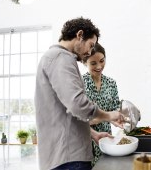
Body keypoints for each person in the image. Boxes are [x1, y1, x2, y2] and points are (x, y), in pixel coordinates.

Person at [34, 17, 124, 170]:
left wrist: (92, 134)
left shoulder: (56, 58)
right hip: (68, 159)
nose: (89, 52)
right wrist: (109, 115)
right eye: (90, 45)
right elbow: (78, 104)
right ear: (79, 35)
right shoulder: (60, 58)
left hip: (68, 157)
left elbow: (66, 113)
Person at [82, 43, 121, 166]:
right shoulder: (79, 83)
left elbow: (115, 108)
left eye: (102, 61)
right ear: (84, 63)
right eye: (93, 63)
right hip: (86, 139)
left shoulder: (111, 83)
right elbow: (78, 118)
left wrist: (119, 117)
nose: (99, 66)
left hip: (106, 140)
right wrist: (105, 117)